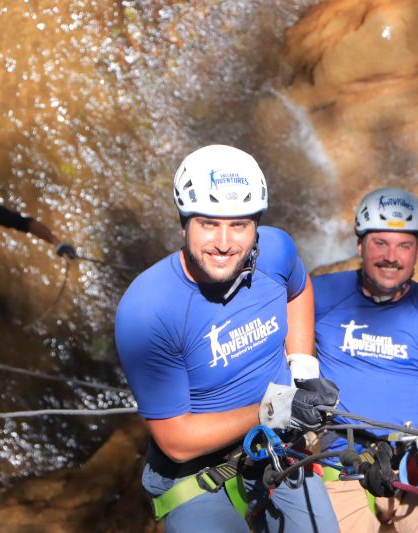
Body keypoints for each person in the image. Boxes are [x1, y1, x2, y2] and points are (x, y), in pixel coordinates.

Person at [115, 144, 339, 533]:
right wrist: (275, 407)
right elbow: (177, 440)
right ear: (184, 223)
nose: (223, 243)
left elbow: (298, 289)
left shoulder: (275, 252)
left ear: (256, 226)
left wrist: (303, 369)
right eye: (208, 223)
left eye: (239, 225)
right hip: (196, 477)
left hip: (277, 449)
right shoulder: (148, 310)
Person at [313, 187, 418, 533]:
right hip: (341, 461)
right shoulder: (319, 294)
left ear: (417, 252)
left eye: (403, 246)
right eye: (380, 243)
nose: (391, 256)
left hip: (416, 463)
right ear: (360, 246)